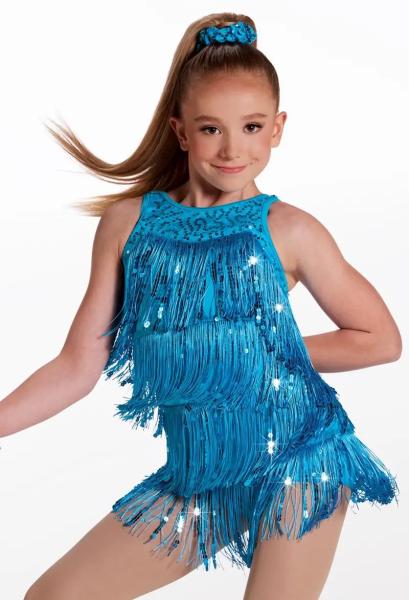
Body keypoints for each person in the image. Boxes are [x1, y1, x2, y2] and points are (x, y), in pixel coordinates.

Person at [1, 12, 401, 600]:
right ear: (181, 131)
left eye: (252, 126)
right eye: (212, 128)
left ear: (277, 128)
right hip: (197, 478)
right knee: (56, 596)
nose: (233, 148)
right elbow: (77, 366)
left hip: (300, 461)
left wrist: (260, 354)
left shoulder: (289, 229)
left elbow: (380, 339)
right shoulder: (128, 225)